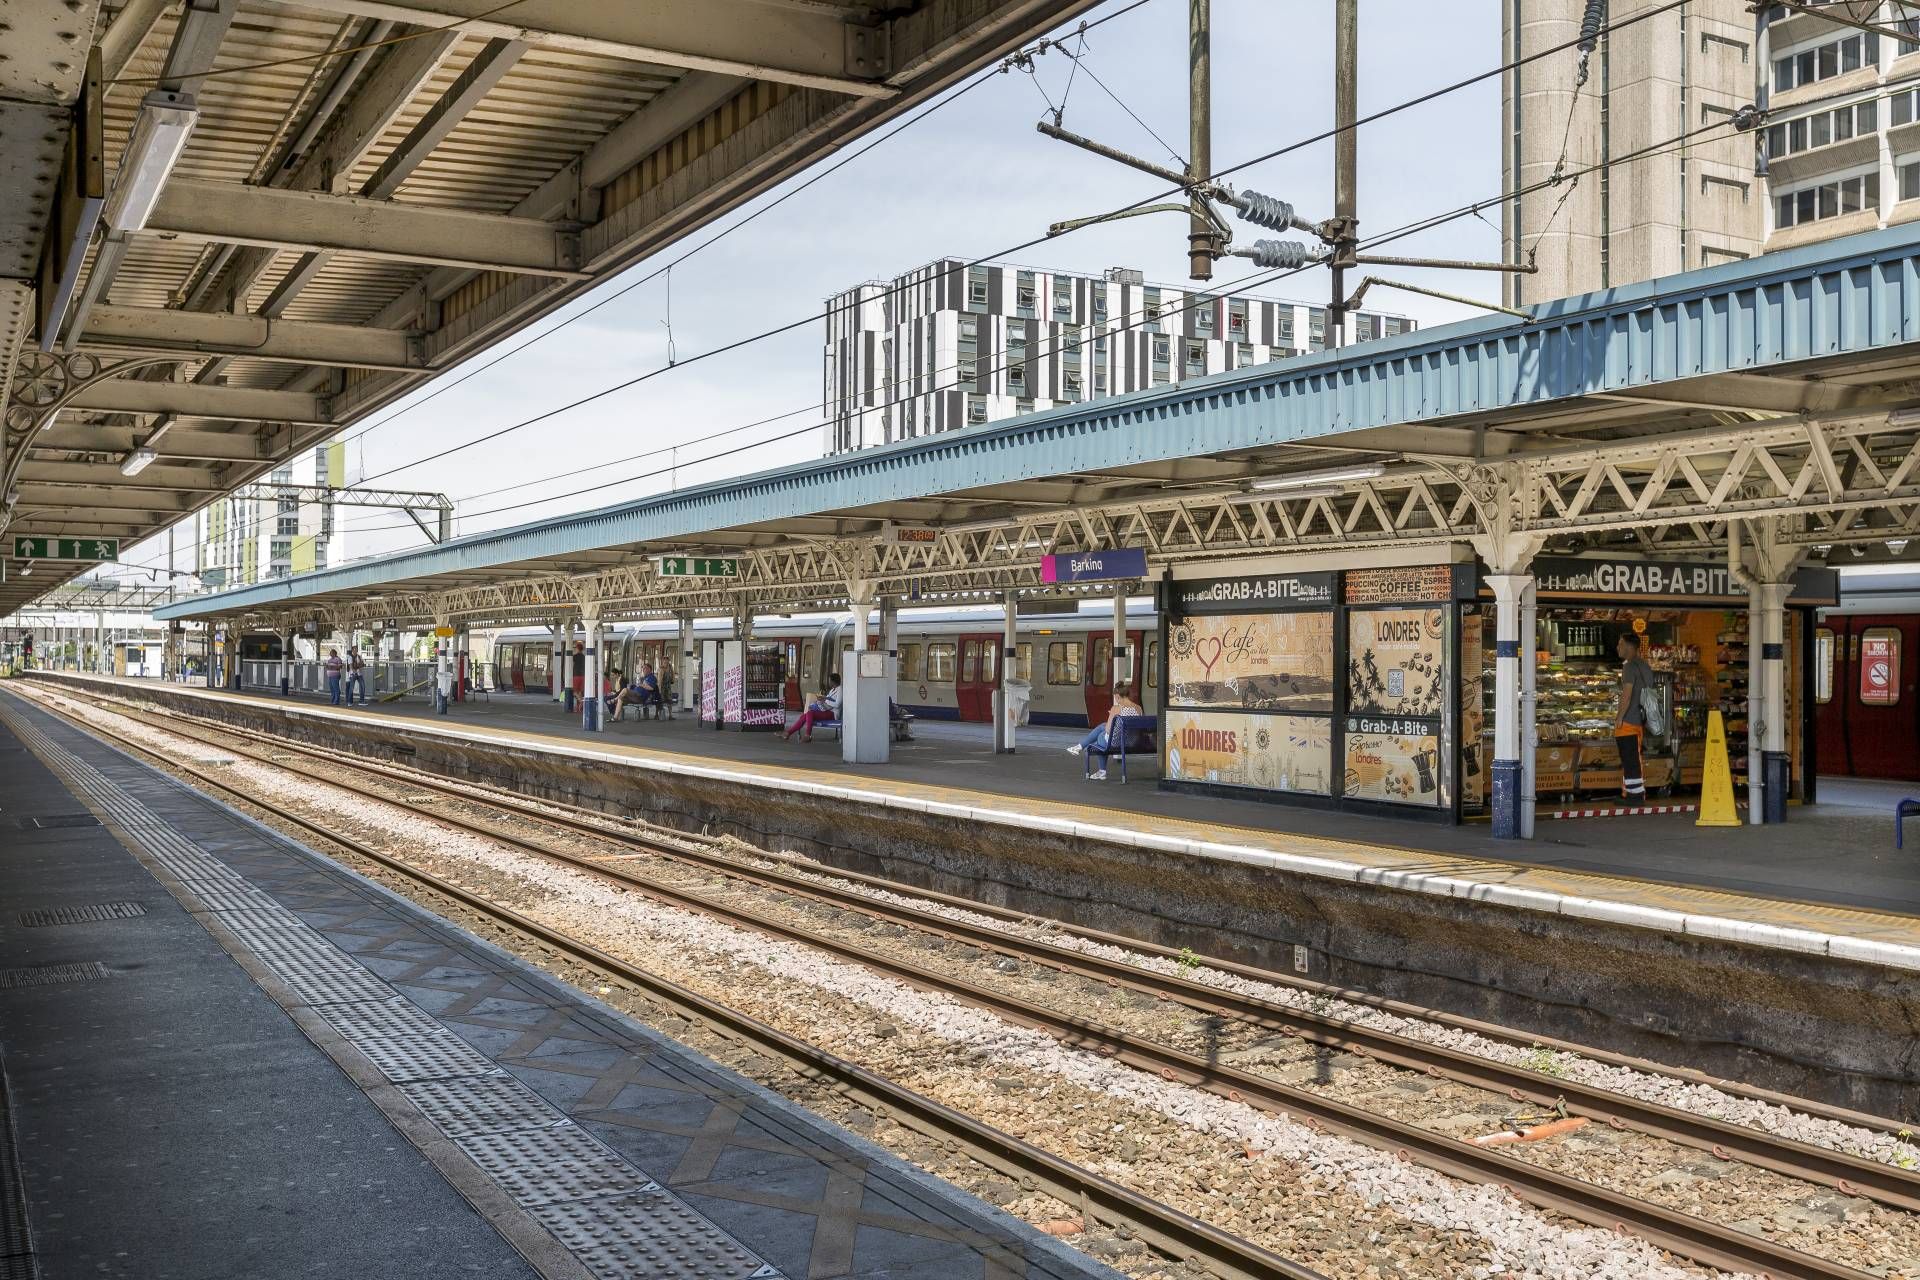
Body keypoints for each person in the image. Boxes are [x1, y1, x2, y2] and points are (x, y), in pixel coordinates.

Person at [1615, 631, 1655, 803]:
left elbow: (1627, 694)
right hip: (1639, 719)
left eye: (1620, 644)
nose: (1618, 647)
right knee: (1634, 757)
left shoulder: (1629, 666)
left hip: (1629, 720)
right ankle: (1633, 793)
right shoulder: (1644, 665)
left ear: (1629, 647)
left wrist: (1619, 717)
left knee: (1630, 759)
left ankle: (1635, 795)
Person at [1068, 691, 1144, 781]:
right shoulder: (1138, 708)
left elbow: (1108, 730)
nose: (1116, 701)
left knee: (1100, 737)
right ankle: (1079, 747)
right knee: (1103, 728)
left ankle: (1100, 770)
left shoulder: (1116, 708)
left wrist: (1111, 715)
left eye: (1116, 698)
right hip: (1133, 742)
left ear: (1118, 696)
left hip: (1116, 743)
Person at [784, 674, 840, 742]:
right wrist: (823, 699)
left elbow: (837, 704)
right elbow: (828, 700)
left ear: (833, 681)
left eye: (829, 680)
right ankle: (788, 733)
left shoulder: (840, 690)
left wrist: (824, 700)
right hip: (826, 710)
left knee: (809, 713)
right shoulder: (832, 690)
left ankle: (807, 735)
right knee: (805, 715)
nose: (828, 682)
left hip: (833, 713)